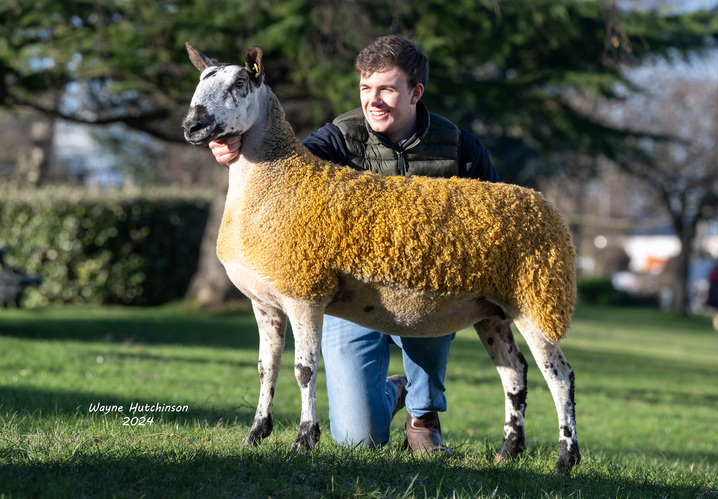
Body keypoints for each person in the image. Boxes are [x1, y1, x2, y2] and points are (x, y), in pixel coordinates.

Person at [209, 35, 500, 454]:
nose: (373, 100)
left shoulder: (461, 149)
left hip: (421, 290)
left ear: (415, 92)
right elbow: (283, 172)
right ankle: (394, 392)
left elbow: (491, 222)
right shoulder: (336, 138)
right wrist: (232, 147)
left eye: (386, 89)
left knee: (439, 297)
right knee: (356, 440)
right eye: (366, 88)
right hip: (348, 299)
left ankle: (422, 414)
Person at [706, 259, 718, 332]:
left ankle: (717, 326)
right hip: (716, 291)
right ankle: (717, 326)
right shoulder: (716, 269)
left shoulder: (715, 269)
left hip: (716, 291)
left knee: (717, 312)